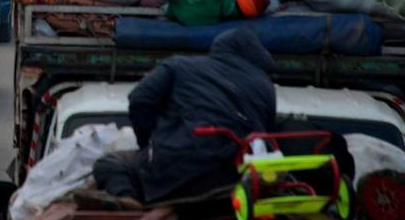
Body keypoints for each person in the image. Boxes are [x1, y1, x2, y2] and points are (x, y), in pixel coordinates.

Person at [92, 26, 277, 203]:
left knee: (109, 163)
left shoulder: (179, 65)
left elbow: (140, 100)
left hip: (174, 171)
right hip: (235, 175)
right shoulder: (265, 86)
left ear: (218, 49)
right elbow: (265, 134)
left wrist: (147, 143)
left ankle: (127, 201)